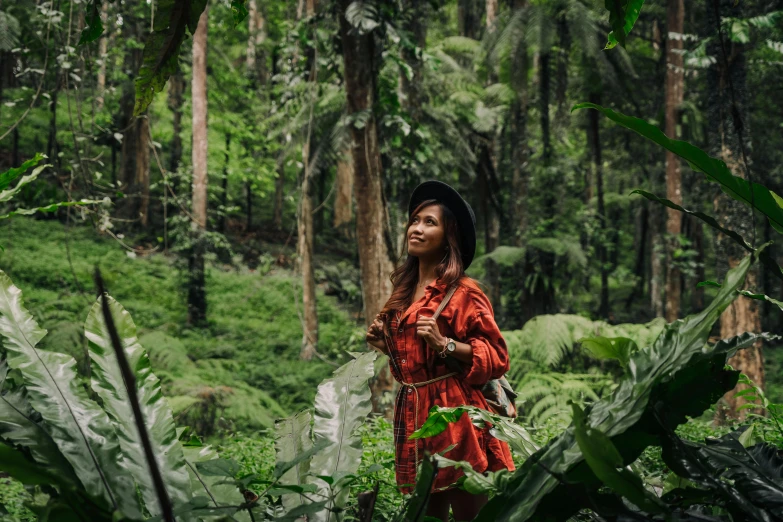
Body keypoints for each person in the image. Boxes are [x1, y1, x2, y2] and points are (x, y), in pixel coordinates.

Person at [365, 181, 514, 522]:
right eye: (415, 220)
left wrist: (445, 343)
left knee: (468, 513)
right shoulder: (404, 291)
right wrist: (384, 345)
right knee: (427, 514)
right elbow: (416, 363)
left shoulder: (465, 292)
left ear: (450, 236)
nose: (416, 228)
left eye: (429, 222)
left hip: (456, 417)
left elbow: (498, 357)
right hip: (414, 413)